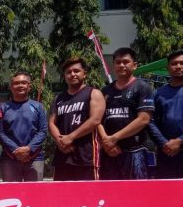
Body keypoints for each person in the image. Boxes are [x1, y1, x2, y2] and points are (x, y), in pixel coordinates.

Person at [98, 47, 154, 180]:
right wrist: (106, 141)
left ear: (134, 65)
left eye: (125, 62)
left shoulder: (142, 87)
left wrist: (114, 138)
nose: (121, 65)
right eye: (118, 62)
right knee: (109, 195)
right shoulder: (105, 90)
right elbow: (97, 120)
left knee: (136, 195)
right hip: (109, 152)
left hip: (135, 151)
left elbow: (144, 119)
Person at [49, 57, 105, 181]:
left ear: (84, 74)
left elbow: (95, 120)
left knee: (88, 197)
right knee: (61, 196)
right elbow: (51, 123)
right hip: (62, 156)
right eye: (68, 72)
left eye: (76, 71)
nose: (72, 74)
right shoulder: (58, 99)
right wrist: (61, 142)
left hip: (86, 156)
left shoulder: (94, 93)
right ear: (64, 76)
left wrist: (71, 137)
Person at [0, 72, 47, 182]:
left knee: (35, 194)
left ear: (29, 86)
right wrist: (16, 150)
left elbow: (43, 131)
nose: (20, 85)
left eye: (24, 83)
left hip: (35, 157)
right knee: (11, 194)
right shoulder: (3, 107)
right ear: (11, 86)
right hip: (9, 158)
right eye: (16, 83)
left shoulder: (38, 107)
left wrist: (28, 149)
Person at [148, 50, 183, 179]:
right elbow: (149, 120)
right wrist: (163, 143)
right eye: (174, 63)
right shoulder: (157, 93)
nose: (178, 66)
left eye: (182, 63)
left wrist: (180, 141)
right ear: (168, 68)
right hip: (166, 152)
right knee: (166, 193)